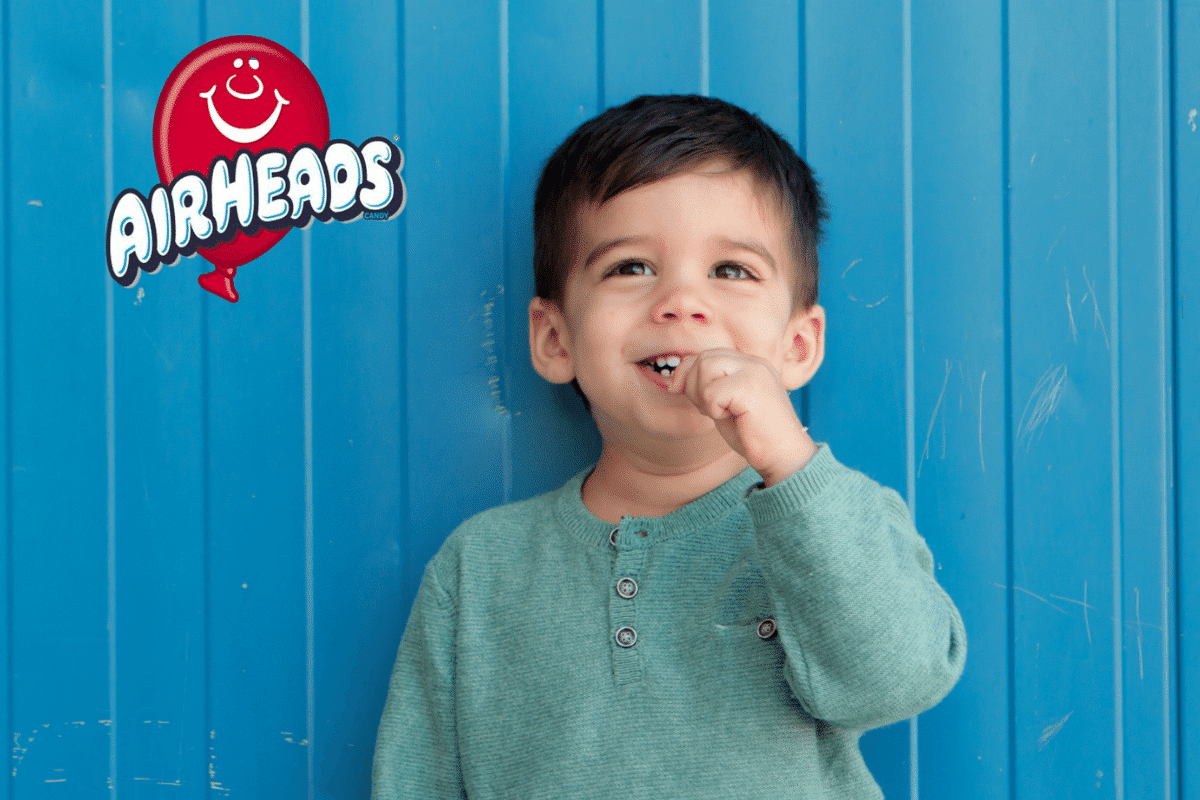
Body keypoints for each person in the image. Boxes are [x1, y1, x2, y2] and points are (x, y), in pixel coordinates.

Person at [372, 94, 966, 799]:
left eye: (731, 271)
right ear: (555, 339)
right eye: (630, 267)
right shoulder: (479, 569)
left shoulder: (839, 518)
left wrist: (788, 459)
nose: (682, 302)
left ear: (798, 346)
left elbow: (898, 681)